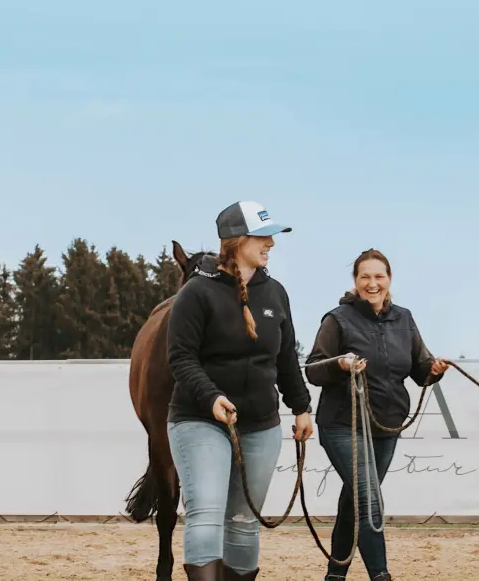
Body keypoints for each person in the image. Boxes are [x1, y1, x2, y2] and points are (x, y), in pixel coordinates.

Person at [166, 200, 314, 581]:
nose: (271, 244)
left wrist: (300, 407)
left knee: (244, 521)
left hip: (261, 425)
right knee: (207, 512)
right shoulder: (197, 294)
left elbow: (285, 358)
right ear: (236, 240)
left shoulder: (276, 293)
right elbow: (181, 358)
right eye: (263, 236)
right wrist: (211, 396)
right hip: (200, 419)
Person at [304, 248, 449, 581]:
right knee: (368, 498)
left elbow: (419, 368)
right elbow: (313, 369)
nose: (372, 283)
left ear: (389, 279)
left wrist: (435, 369)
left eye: (378, 276)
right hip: (343, 424)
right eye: (365, 276)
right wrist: (340, 365)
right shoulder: (337, 319)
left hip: (387, 426)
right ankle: (381, 576)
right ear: (355, 281)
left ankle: (335, 575)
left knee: (356, 500)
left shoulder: (405, 318)